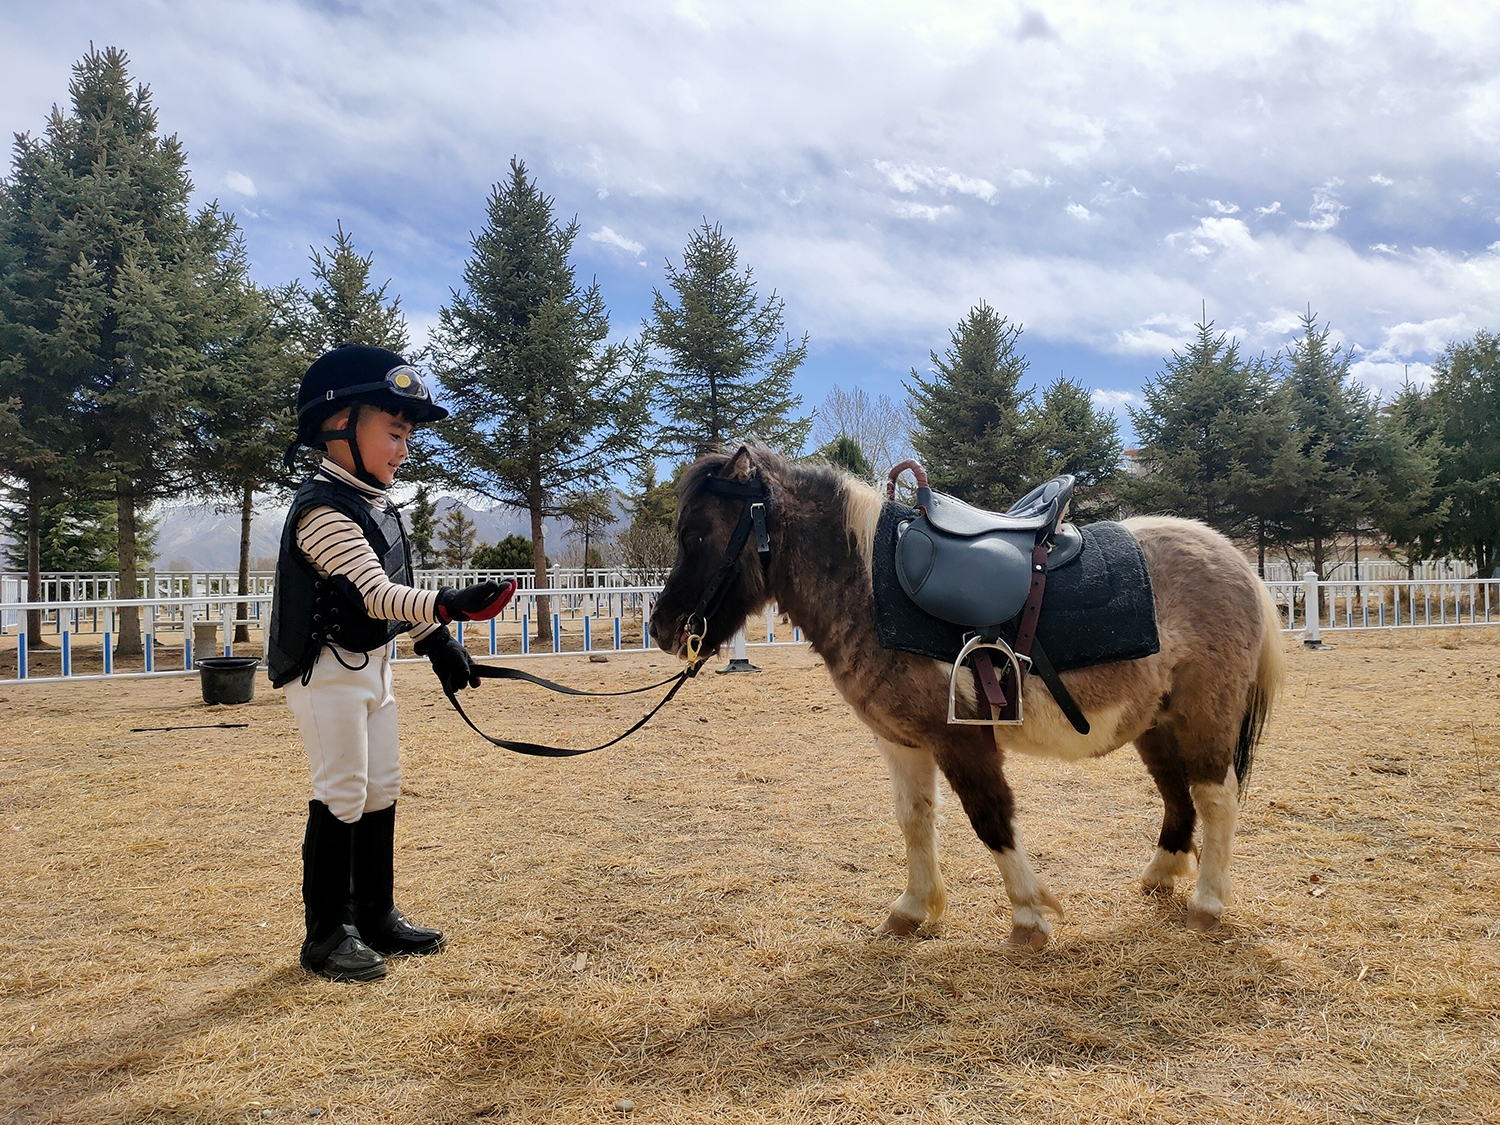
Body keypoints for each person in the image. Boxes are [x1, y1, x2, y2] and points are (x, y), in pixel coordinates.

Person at [266, 344, 515, 982]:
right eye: (394, 432)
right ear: (337, 425)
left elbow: (395, 587)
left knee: (381, 788)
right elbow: (374, 592)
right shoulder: (321, 510)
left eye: (407, 435)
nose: (404, 448)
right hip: (326, 672)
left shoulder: (378, 508)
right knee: (342, 790)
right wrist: (450, 605)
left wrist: (438, 641)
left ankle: (373, 913)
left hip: (373, 667)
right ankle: (325, 934)